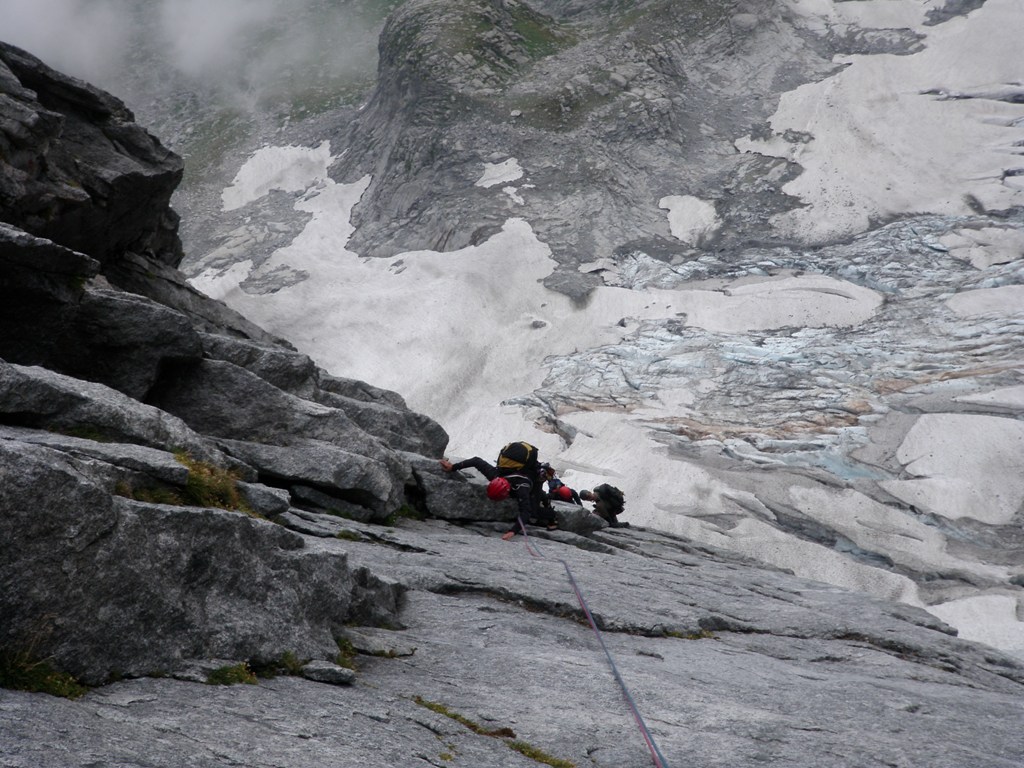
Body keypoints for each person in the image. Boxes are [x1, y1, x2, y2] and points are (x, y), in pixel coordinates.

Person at [440, 441, 556, 539]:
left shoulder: (521, 486)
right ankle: (543, 498)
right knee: (532, 499)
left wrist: (513, 531)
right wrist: (452, 467)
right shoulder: (494, 475)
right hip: (519, 467)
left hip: (534, 477)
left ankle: (553, 517)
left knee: (534, 512)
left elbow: (526, 511)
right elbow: (476, 461)